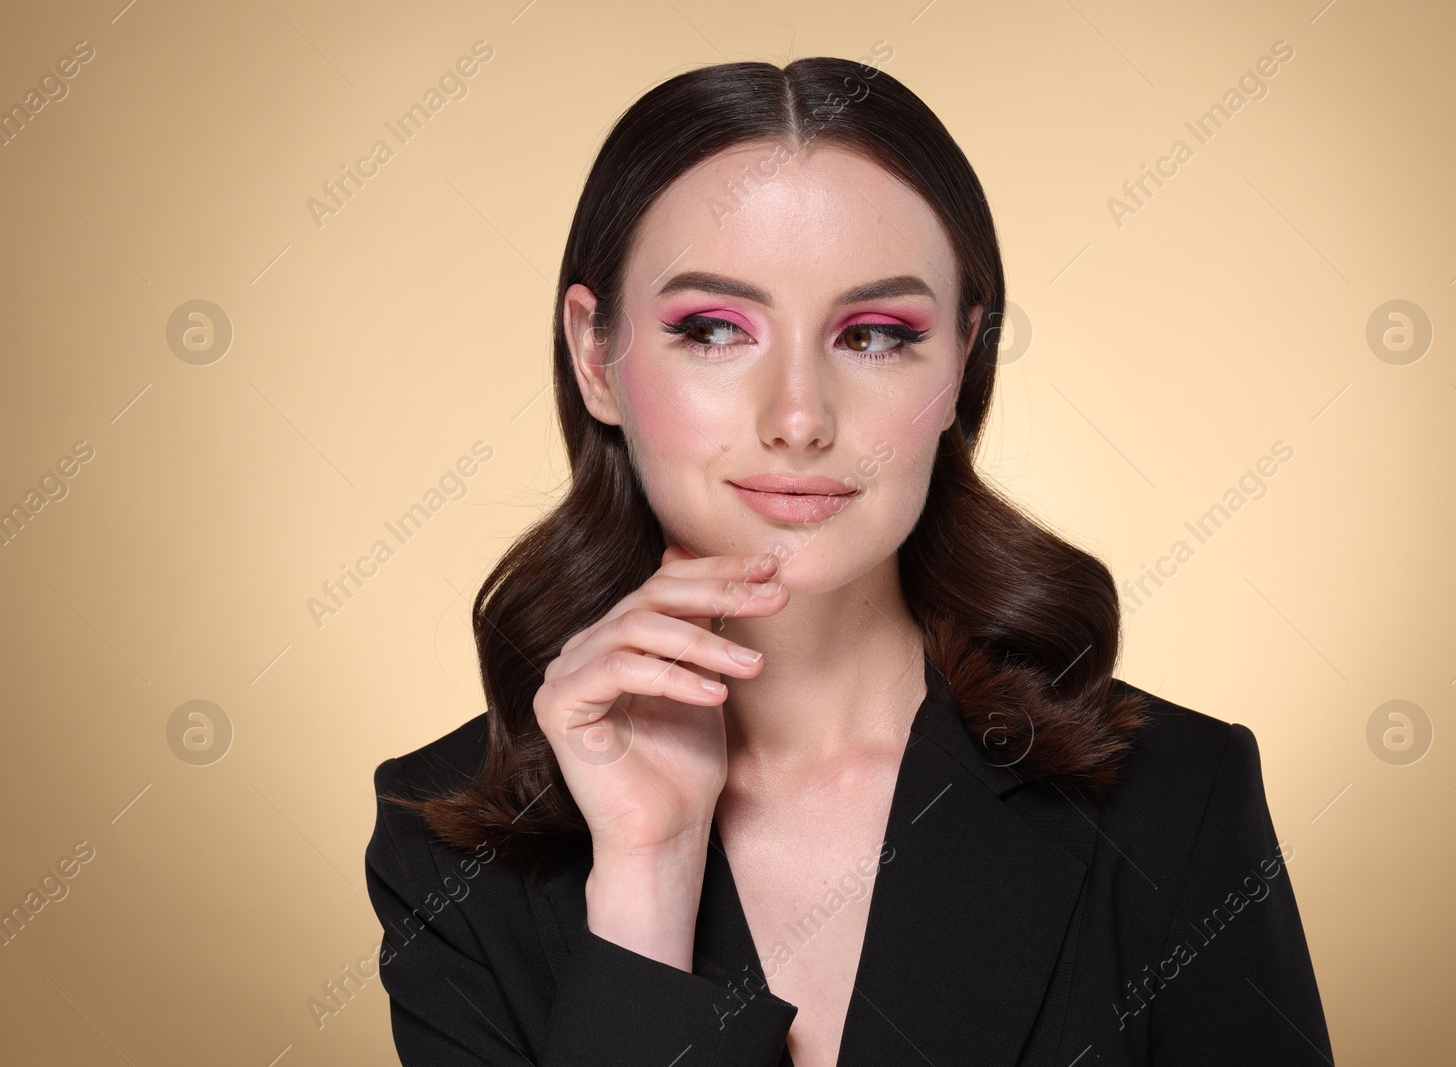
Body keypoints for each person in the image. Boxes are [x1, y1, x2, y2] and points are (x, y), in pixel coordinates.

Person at [364, 54, 1335, 1066]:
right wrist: (647, 883)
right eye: (711, 328)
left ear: (962, 358)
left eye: (874, 334)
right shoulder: (445, 848)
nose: (798, 418)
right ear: (594, 355)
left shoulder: (1174, 797)